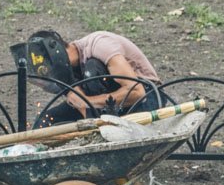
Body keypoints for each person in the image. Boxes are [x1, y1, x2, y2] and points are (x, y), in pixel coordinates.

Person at [14, 30, 170, 128]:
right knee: (45, 121)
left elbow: (137, 92)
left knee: (92, 69)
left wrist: (88, 102)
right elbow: (82, 107)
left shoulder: (100, 45)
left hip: (148, 97)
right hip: (103, 107)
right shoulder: (66, 72)